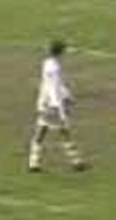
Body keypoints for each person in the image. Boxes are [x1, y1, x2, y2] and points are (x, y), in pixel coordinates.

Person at [28, 40, 87, 172]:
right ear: (60, 52)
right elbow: (54, 87)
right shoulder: (54, 68)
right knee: (64, 131)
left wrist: (67, 95)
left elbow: (54, 84)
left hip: (44, 102)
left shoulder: (47, 63)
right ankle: (76, 162)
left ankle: (33, 163)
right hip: (51, 104)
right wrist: (58, 107)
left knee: (41, 130)